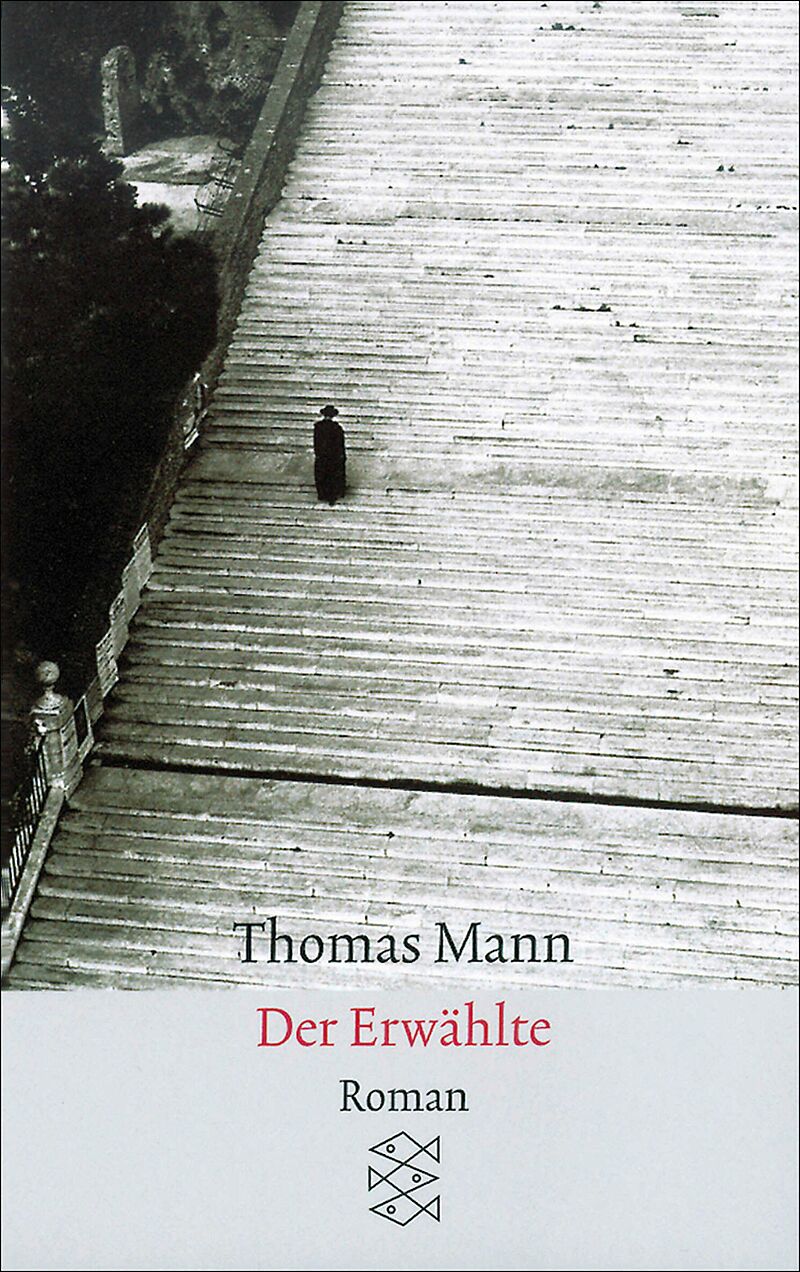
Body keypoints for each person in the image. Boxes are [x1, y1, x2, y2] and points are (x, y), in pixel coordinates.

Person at [313, 404, 346, 504]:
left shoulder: (318, 427)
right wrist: (342, 455)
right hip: (333, 455)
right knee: (332, 475)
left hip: (322, 454)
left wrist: (318, 453)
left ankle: (322, 494)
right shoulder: (337, 427)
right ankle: (332, 495)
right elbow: (340, 443)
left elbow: (316, 441)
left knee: (322, 474)